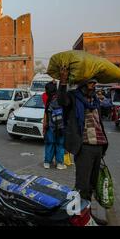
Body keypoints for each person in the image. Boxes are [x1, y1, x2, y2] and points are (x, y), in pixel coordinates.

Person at [58, 67, 109, 226]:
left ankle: (88, 216)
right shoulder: (73, 98)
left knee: (91, 185)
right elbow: (61, 101)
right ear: (83, 84)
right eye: (91, 83)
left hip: (98, 146)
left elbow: (99, 121)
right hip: (84, 147)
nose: (94, 85)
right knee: (82, 186)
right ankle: (78, 218)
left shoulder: (94, 100)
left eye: (95, 82)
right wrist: (63, 81)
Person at [42, 81, 66, 170]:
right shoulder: (61, 99)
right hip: (61, 127)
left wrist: (44, 126)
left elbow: (46, 114)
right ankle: (59, 163)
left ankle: (47, 162)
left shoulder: (48, 99)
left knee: (49, 144)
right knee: (60, 144)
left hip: (50, 126)